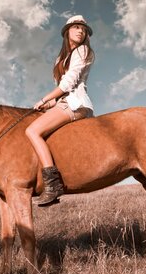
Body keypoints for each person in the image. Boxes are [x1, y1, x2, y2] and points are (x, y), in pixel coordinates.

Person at [25, 15, 95, 207]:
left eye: (83, 28)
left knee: (32, 131)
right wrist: (50, 103)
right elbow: (61, 91)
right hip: (64, 102)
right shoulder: (61, 57)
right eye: (76, 27)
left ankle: (52, 183)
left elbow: (69, 84)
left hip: (76, 104)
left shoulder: (82, 50)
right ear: (67, 32)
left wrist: (45, 98)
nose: (81, 31)